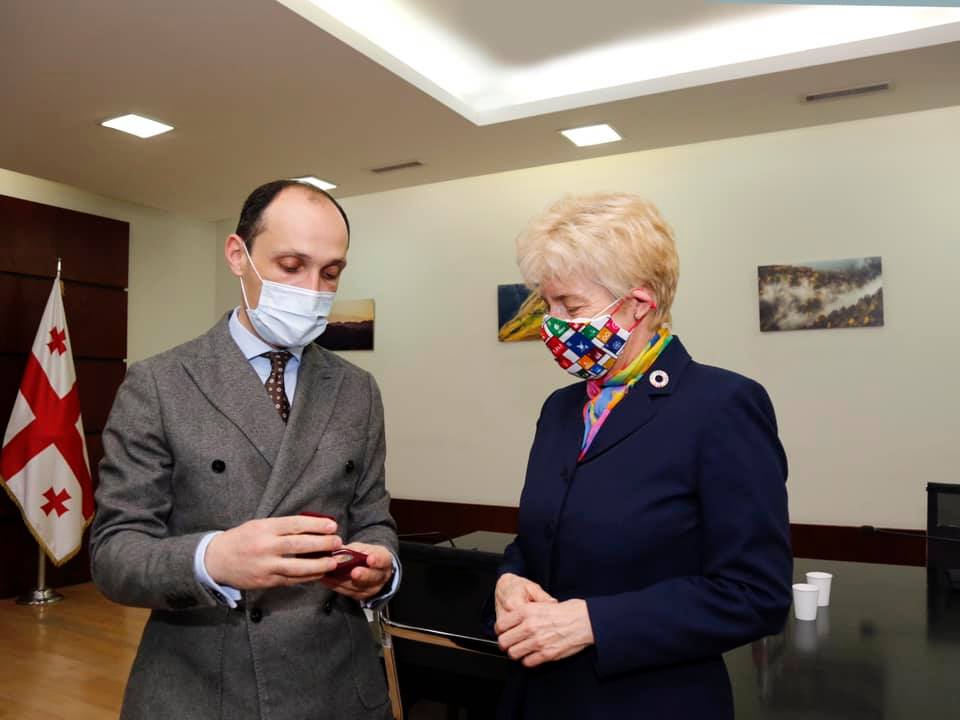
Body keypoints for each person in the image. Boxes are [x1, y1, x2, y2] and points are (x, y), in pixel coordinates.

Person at [91, 180, 399, 720]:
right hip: (204, 686)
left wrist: (382, 568)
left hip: (336, 684)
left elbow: (374, 518)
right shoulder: (159, 384)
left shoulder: (357, 390)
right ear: (238, 256)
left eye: (330, 273)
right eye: (291, 265)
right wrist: (214, 559)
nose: (312, 289)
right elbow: (115, 555)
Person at [493, 193, 792, 719]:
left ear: (638, 303)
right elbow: (541, 539)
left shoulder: (721, 405)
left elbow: (756, 594)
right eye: (548, 306)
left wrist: (594, 623)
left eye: (570, 307)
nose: (551, 325)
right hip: (539, 698)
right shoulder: (561, 409)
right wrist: (510, 579)